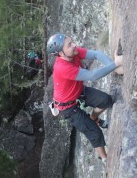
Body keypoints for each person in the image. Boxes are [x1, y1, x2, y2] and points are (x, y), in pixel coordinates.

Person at [47, 33, 123, 164]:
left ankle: (94, 118)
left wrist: (114, 67)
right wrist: (116, 64)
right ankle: (105, 159)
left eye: (72, 42)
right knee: (95, 133)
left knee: (106, 100)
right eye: (69, 45)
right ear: (61, 53)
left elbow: (96, 54)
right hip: (68, 107)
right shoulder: (62, 68)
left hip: (77, 93)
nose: (74, 45)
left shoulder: (73, 52)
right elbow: (92, 76)